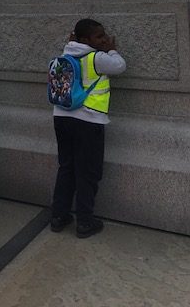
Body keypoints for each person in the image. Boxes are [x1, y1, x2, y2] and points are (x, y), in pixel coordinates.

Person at [50, 18, 127, 238]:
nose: (104, 39)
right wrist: (112, 50)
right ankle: (84, 221)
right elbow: (120, 66)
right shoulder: (97, 58)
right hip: (88, 121)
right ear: (85, 39)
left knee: (66, 167)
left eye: (104, 36)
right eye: (99, 36)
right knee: (88, 172)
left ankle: (58, 216)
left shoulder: (66, 54)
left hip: (61, 118)